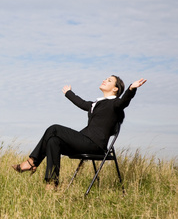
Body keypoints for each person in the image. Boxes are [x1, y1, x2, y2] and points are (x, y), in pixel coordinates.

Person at [12, 75, 147, 189]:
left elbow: (125, 101)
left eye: (109, 81)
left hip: (95, 145)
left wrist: (131, 88)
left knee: (54, 128)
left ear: (115, 89)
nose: (105, 80)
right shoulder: (96, 104)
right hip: (84, 141)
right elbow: (81, 103)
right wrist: (68, 93)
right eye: (106, 79)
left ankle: (31, 162)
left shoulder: (115, 104)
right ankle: (52, 184)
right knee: (53, 141)